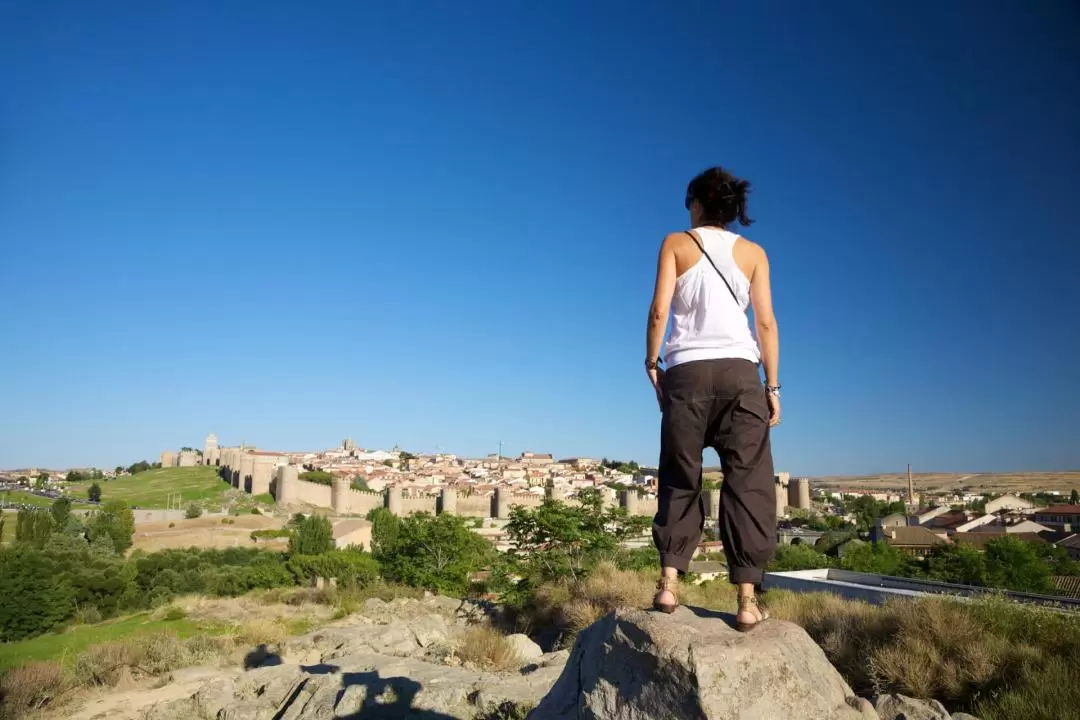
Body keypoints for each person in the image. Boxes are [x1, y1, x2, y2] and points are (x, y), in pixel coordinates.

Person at [645, 166, 780, 632]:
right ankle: (746, 599)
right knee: (749, 484)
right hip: (743, 375)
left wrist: (651, 361)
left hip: (686, 374)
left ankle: (668, 585)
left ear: (697, 204)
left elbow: (660, 307)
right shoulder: (755, 253)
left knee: (681, 476)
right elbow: (765, 323)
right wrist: (773, 386)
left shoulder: (676, 243)